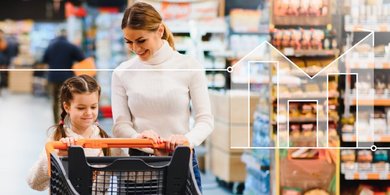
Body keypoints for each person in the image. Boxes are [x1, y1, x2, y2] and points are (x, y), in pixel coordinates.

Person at [111, 2, 214, 192]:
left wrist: (186, 140)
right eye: (129, 41)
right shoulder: (122, 73)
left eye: (141, 40)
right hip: (138, 170)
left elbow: (205, 121)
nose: (135, 48)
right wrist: (138, 138)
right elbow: (120, 125)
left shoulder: (189, 67)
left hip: (181, 164)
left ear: (159, 31)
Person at [27, 75, 126, 191]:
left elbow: (135, 173)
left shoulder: (105, 142)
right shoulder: (57, 140)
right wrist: (55, 156)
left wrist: (149, 148)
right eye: (81, 108)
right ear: (67, 107)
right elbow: (34, 182)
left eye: (93, 107)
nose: (89, 113)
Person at [43, 28, 85, 124]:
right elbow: (82, 58)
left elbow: (44, 59)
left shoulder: (50, 46)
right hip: (67, 78)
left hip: (53, 77)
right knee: (68, 100)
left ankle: (56, 122)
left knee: (55, 100)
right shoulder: (70, 46)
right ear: (66, 36)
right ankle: (66, 121)